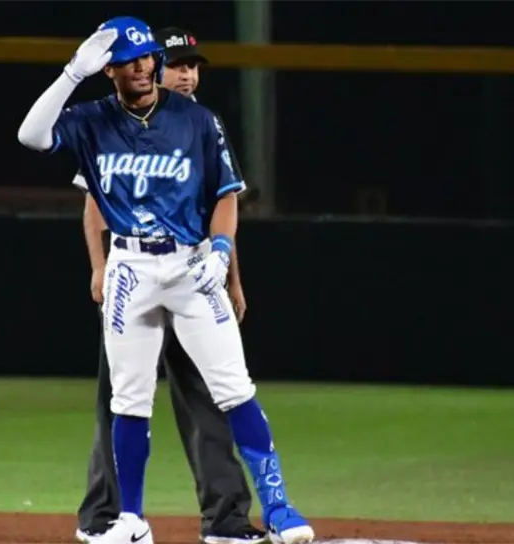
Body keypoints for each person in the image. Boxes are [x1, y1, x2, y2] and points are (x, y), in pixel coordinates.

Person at [17, 16, 314, 544]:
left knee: (233, 388)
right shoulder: (91, 119)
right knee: (127, 399)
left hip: (190, 265)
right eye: (131, 58)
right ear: (108, 68)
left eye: (149, 56)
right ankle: (130, 520)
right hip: (130, 266)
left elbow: (225, 195)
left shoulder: (197, 121)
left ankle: (279, 508)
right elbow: (31, 136)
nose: (144, 65)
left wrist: (223, 257)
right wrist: (70, 74)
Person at [71, 26, 263, 544]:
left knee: (209, 401)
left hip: (195, 277)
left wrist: (232, 279)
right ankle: (106, 517)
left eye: (193, 66)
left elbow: (221, 210)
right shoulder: (115, 122)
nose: (186, 73)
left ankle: (225, 520)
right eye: (177, 63)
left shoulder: (201, 126)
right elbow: (95, 204)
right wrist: (98, 267)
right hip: (135, 276)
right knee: (121, 400)